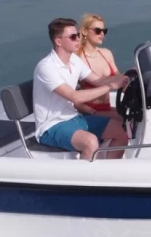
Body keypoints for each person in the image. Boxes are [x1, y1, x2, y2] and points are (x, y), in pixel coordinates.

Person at [33, 17, 129, 160]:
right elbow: (74, 96)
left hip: (73, 117)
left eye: (77, 35)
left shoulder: (74, 60)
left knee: (122, 131)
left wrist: (128, 77)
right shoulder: (46, 67)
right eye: (73, 37)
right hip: (51, 125)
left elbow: (99, 80)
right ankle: (86, 180)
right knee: (90, 142)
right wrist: (111, 86)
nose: (78, 39)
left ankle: (109, 173)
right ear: (58, 41)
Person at [75, 13, 123, 120]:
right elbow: (72, 97)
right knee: (122, 121)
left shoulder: (106, 54)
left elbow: (119, 79)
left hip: (106, 108)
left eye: (104, 31)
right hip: (87, 111)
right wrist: (93, 112)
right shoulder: (77, 58)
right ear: (84, 31)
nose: (102, 34)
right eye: (97, 30)